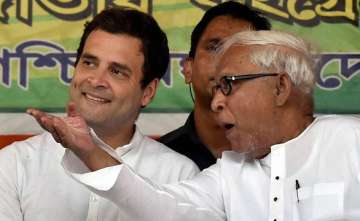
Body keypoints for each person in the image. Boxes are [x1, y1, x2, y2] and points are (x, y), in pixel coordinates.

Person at [30, 30, 360, 220]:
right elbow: (157, 203)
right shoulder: (229, 175)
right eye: (216, 88)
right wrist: (90, 151)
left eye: (229, 84)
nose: (216, 102)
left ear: (280, 87)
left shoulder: (350, 142)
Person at [0, 7, 199, 221]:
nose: (95, 80)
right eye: (89, 63)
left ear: (147, 92)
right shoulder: (15, 163)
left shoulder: (179, 176)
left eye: (116, 71)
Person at [159, 1, 271, 170]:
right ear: (188, 69)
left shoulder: (280, 155)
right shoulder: (161, 158)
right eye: (214, 47)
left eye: (240, 50)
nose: (225, 61)